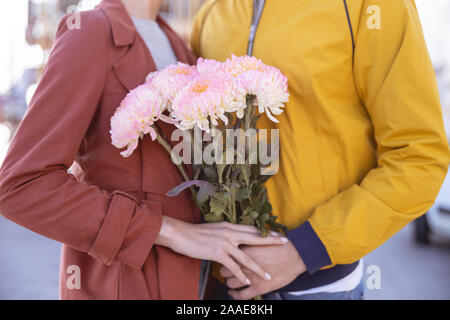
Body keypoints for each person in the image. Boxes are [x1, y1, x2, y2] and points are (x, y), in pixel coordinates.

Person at [0, 0, 288, 300]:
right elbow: (22, 185)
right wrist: (169, 230)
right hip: (124, 283)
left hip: (192, 283)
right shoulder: (89, 32)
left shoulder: (178, 44)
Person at [191, 0, 450, 300]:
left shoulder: (373, 6)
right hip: (217, 284)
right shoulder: (211, 10)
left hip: (317, 287)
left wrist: (308, 248)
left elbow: (419, 155)